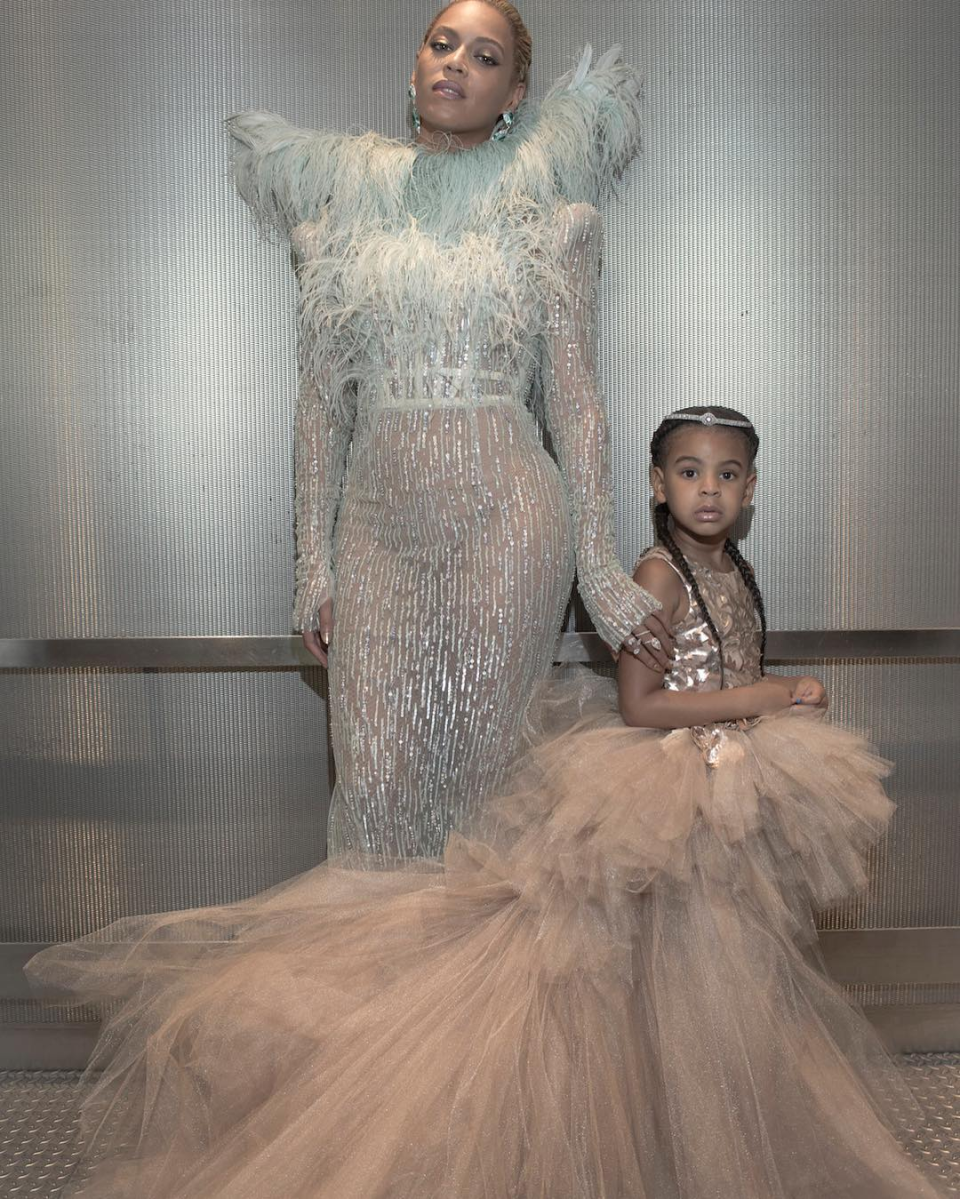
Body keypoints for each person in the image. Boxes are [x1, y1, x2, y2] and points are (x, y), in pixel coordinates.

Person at [27, 406, 948, 1197]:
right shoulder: (657, 574)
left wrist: (778, 686)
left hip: (725, 781)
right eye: (689, 471)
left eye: (729, 474)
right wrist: (753, 700)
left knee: (716, 974)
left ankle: (699, 1132)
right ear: (659, 485)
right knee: (647, 974)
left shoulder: (732, 571)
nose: (710, 489)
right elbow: (639, 704)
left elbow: (730, 662)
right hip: (658, 784)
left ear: (751, 489)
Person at [227, 0, 671, 863]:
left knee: (481, 786)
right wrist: (311, 559)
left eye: (485, 55)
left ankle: (483, 999)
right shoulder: (335, 226)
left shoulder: (554, 222)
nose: (455, 63)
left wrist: (601, 567)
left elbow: (576, 403)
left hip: (507, 518)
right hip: (376, 529)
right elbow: (321, 404)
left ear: (515, 94)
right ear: (413, 66)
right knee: (374, 782)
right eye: (442, 44)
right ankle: (374, 995)